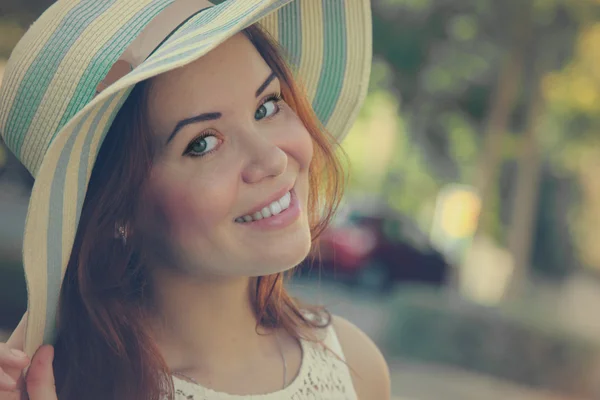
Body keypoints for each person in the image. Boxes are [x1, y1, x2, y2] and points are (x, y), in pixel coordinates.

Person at [0, 0, 390, 399]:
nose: (271, 159)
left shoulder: (355, 368)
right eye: (202, 143)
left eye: (268, 106)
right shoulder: (64, 389)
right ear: (117, 207)